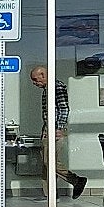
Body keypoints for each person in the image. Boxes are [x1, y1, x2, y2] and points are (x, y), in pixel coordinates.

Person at [29, 65, 86, 198]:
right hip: (47, 128)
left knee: (49, 161)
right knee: (45, 163)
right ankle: (50, 196)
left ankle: (75, 180)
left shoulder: (57, 86)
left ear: (43, 75)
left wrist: (59, 128)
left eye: (36, 79)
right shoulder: (47, 88)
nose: (35, 83)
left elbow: (64, 108)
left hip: (54, 129)